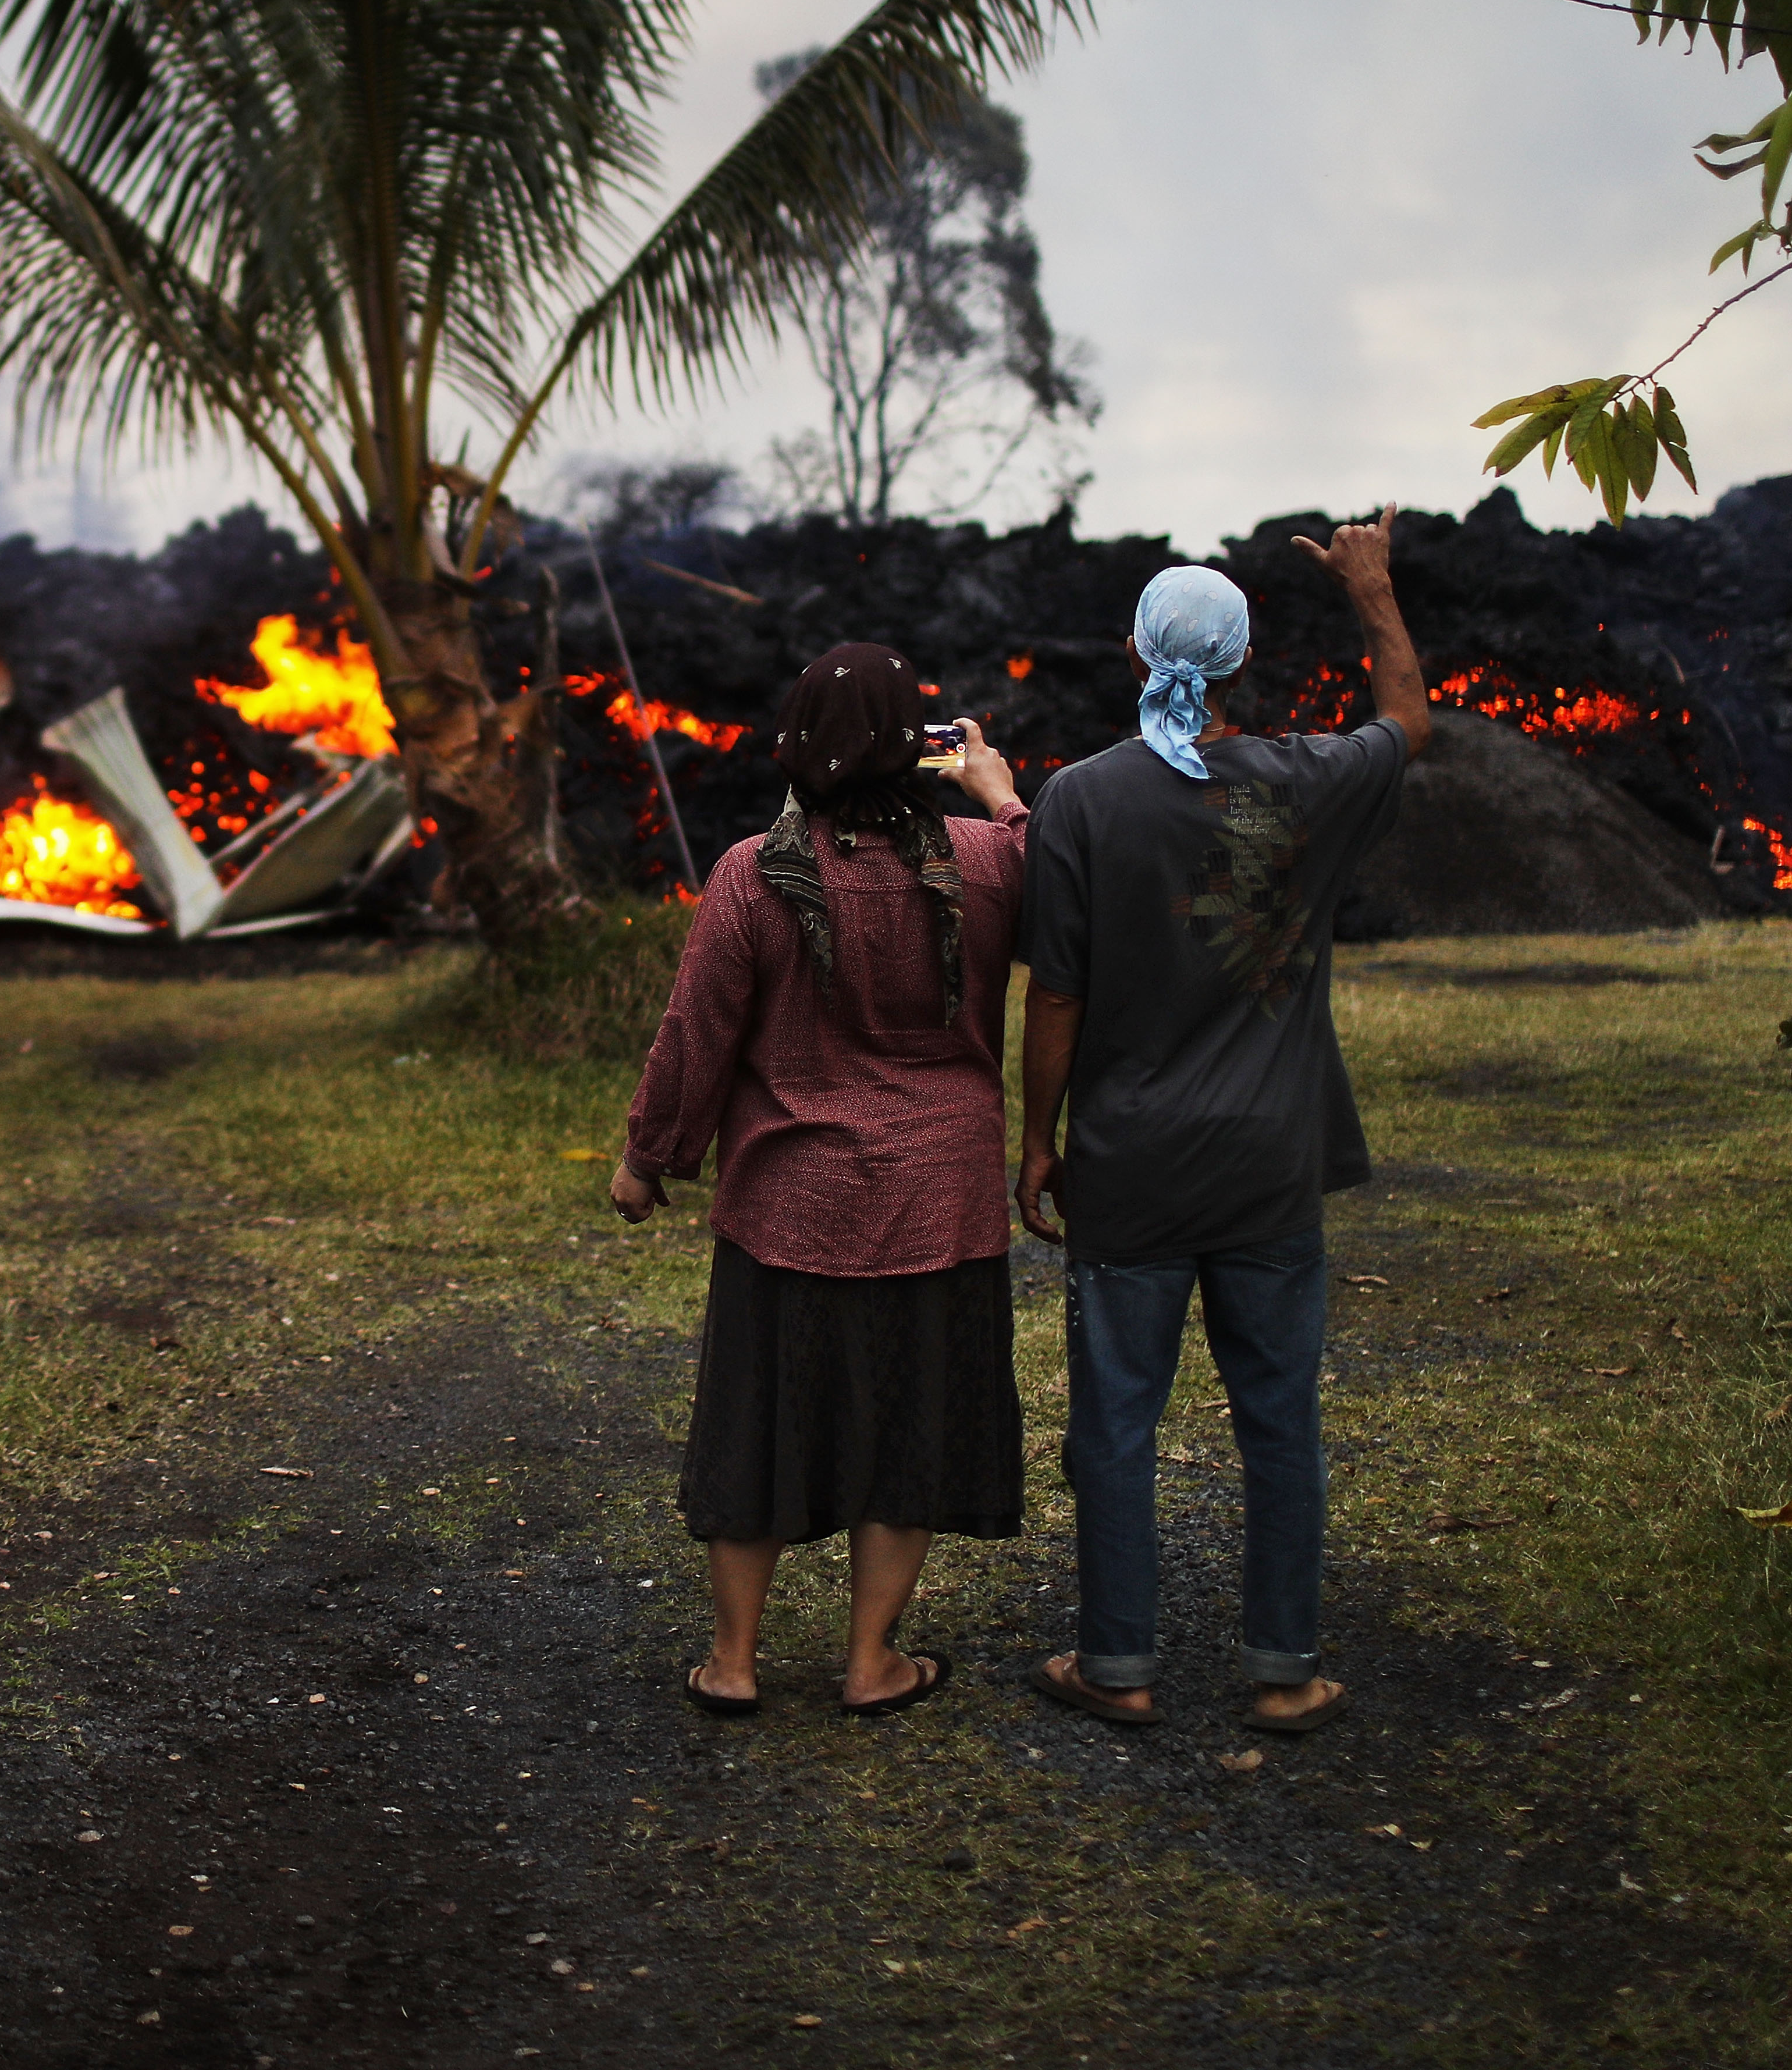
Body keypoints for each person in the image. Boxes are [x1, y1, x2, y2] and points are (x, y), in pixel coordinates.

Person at [1014, 511, 1432, 1735]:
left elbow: (1055, 992)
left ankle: (1119, 1667)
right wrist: (1369, 590)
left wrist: (1039, 1140)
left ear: (1136, 656)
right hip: (1266, 1168)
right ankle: (1285, 1671)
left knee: (1115, 1422)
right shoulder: (1309, 780)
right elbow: (1409, 723)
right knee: (1277, 1423)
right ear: (1241, 665)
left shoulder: (1078, 800)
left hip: (1129, 1166)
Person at [611, 642, 1034, 1717]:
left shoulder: (752, 872)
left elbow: (695, 1035)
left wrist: (648, 1158)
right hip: (940, 1207)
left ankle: (736, 1662)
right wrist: (1007, 797)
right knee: (909, 1436)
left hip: (786, 1212)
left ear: (795, 741)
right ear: (916, 748)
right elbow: (1074, 908)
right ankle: (871, 1663)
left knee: (758, 1431)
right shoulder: (990, 862)